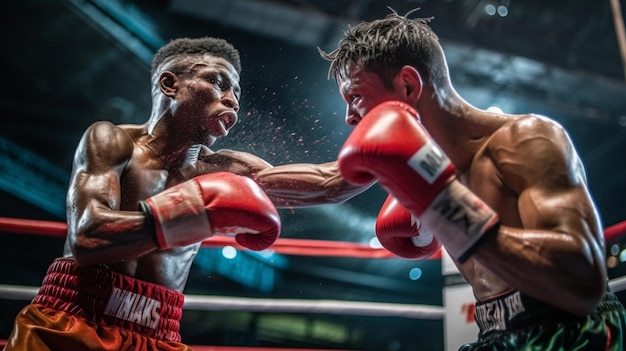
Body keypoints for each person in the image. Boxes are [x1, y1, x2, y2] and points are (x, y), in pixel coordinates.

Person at [3, 37, 373, 351]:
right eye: (218, 83)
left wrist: (390, 123)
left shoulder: (226, 170)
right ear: (170, 84)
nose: (232, 100)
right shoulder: (112, 140)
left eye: (236, 93)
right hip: (74, 318)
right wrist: (195, 210)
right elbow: (88, 237)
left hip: (158, 332)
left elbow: (332, 183)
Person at [320, 9, 626, 350]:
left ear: (408, 84)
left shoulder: (526, 139)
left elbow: (583, 281)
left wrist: (444, 206)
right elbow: (327, 183)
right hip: (493, 336)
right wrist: (253, 176)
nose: (350, 118)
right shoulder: (423, 165)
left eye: (356, 97)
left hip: (572, 333)